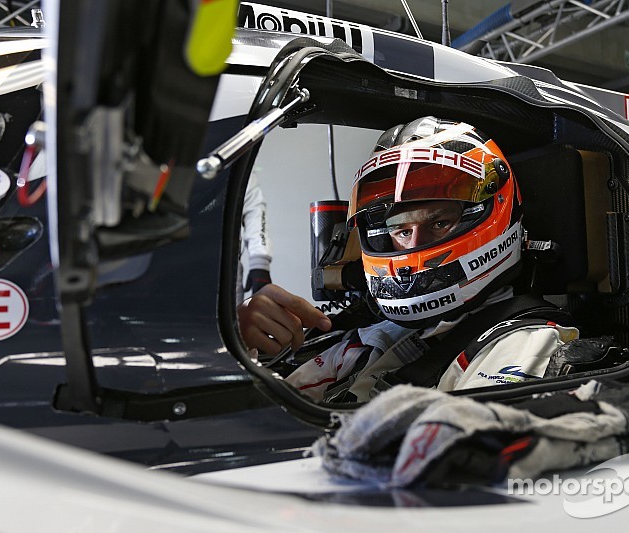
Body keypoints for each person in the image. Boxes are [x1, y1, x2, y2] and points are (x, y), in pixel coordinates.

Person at [238, 116, 578, 402]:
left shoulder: (521, 344)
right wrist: (240, 345)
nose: (414, 246)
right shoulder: (376, 332)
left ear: (490, 215)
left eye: (439, 223)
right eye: (401, 231)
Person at [236, 169, 273, 304]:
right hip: (172, 259)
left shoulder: (229, 153)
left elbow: (253, 209)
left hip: (225, 268)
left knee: (224, 322)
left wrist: (260, 264)